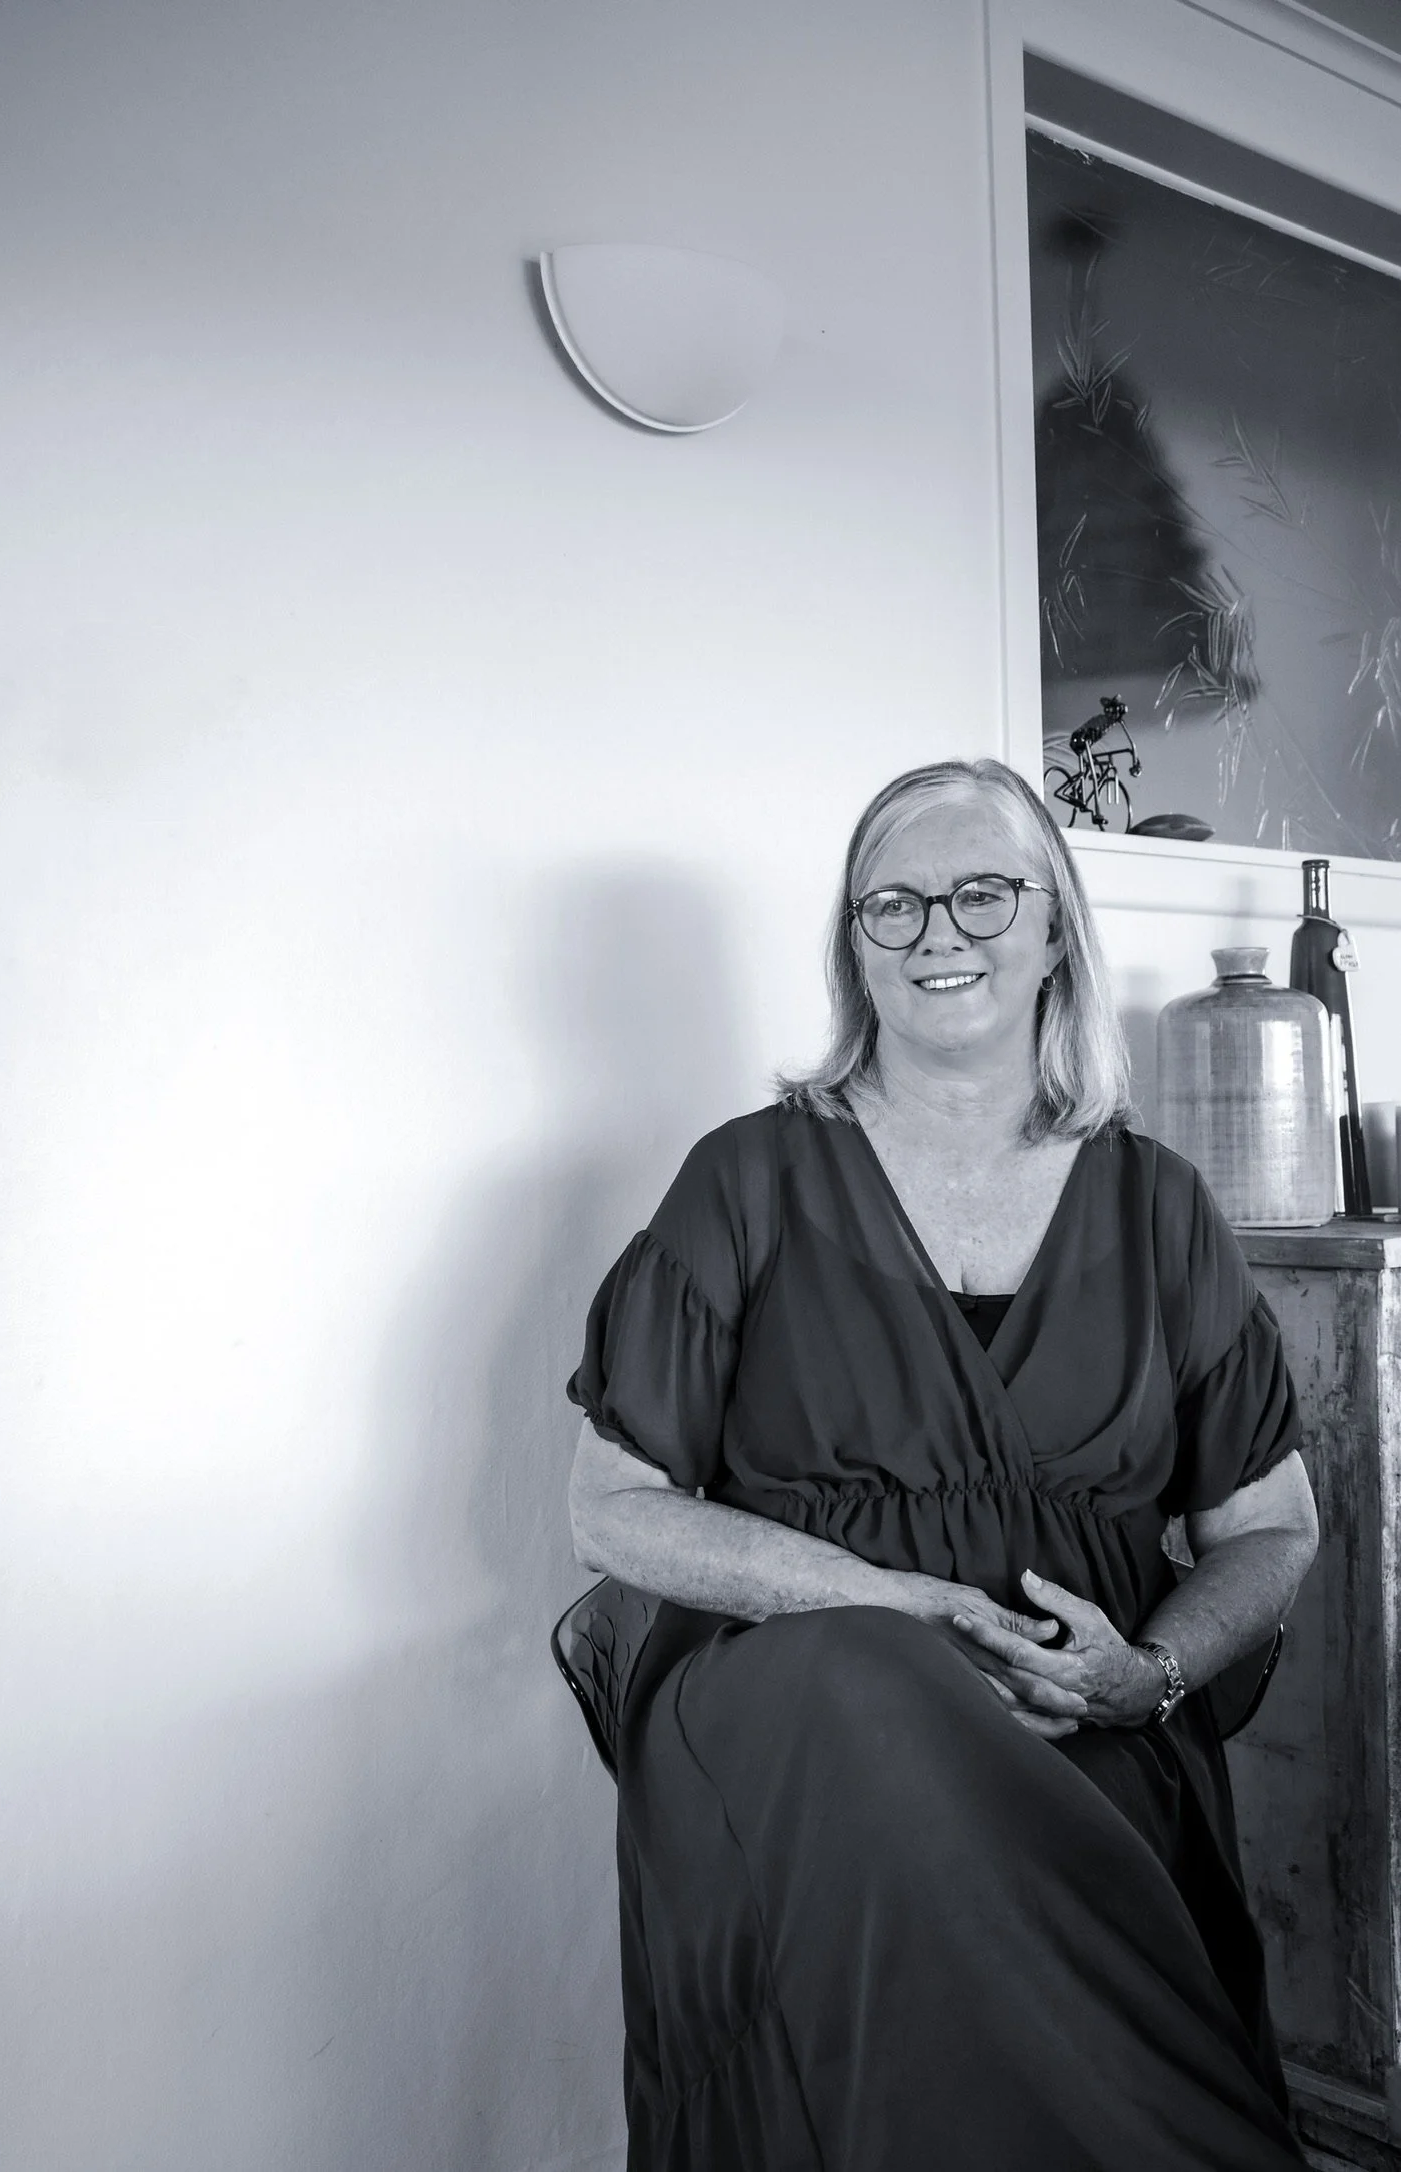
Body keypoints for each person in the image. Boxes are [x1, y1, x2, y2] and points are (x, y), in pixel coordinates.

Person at [565, 758, 1318, 2171]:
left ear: (1055, 933)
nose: (935, 934)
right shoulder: (746, 1180)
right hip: (791, 1715)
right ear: (854, 949)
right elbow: (609, 1507)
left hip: (1079, 1724)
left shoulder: (1160, 1207)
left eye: (980, 892)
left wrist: (1141, 1677)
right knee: (864, 1682)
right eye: (890, 906)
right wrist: (902, 1611)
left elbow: (1273, 1531)